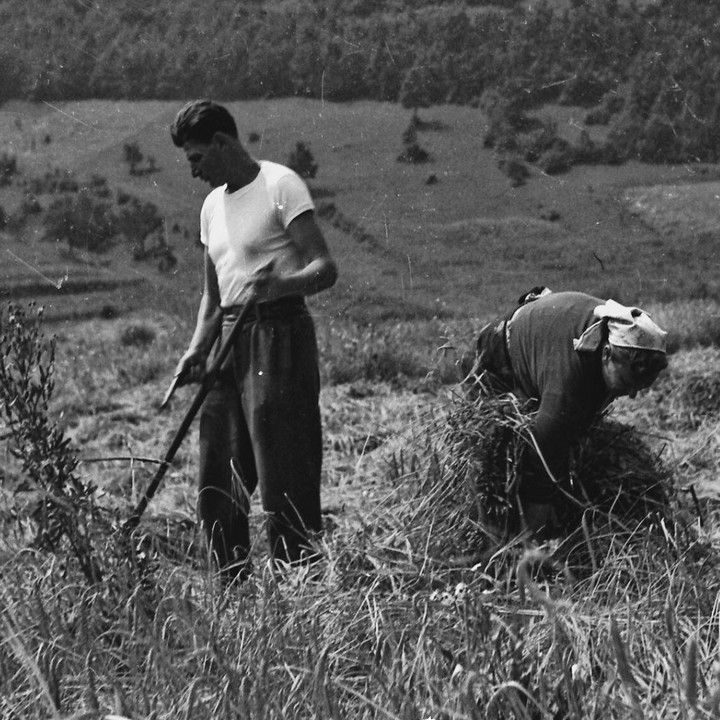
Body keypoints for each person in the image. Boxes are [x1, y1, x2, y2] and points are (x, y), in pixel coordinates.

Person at [169, 100, 338, 579]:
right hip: (227, 338)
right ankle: (232, 588)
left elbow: (325, 268)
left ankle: (299, 587)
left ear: (223, 143)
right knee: (217, 472)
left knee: (284, 468)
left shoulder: (280, 185)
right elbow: (212, 295)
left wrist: (280, 286)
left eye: (197, 158)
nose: (194, 171)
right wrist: (195, 350)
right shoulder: (210, 207)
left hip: (277, 335)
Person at [464, 289, 668, 534]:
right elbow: (542, 451)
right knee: (496, 464)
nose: (632, 395)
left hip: (539, 345)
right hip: (495, 359)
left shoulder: (607, 342)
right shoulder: (570, 382)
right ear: (605, 354)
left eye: (639, 388)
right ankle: (489, 536)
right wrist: (536, 527)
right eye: (627, 384)